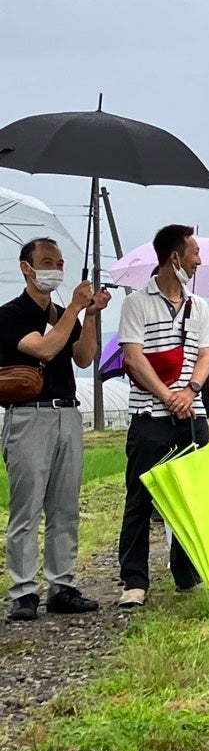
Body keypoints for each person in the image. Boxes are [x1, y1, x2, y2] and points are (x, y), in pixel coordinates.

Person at [1, 238, 109, 620]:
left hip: (67, 413)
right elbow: (45, 349)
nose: (55, 269)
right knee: (26, 507)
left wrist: (90, 315)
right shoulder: (11, 314)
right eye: (47, 262)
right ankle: (23, 590)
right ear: (26, 268)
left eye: (60, 262)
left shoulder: (64, 313)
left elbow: (82, 356)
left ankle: (61, 584)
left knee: (64, 507)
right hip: (28, 415)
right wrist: (75, 309)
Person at [117, 225, 209, 608]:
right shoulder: (136, 303)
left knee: (191, 497)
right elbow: (133, 356)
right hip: (149, 416)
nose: (198, 260)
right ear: (174, 257)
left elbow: (206, 353)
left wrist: (190, 391)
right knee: (140, 498)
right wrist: (166, 395)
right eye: (194, 252)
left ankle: (187, 573)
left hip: (190, 416)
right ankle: (134, 581)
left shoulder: (199, 306)